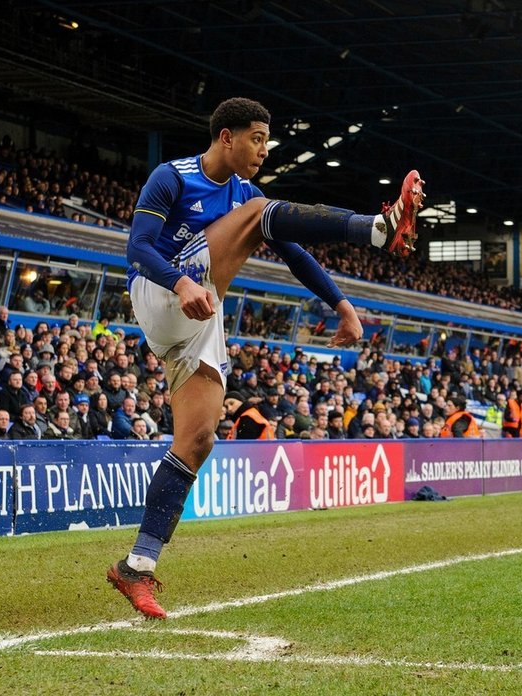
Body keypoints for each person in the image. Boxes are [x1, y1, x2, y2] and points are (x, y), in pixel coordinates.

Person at [106, 97, 424, 619]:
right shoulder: (173, 177)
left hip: (201, 311)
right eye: (256, 138)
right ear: (226, 137)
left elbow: (294, 250)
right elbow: (138, 249)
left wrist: (341, 304)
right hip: (161, 290)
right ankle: (376, 228)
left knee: (198, 439)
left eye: (267, 140)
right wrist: (181, 279)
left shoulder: (245, 194)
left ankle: (136, 567)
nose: (264, 149)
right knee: (258, 211)